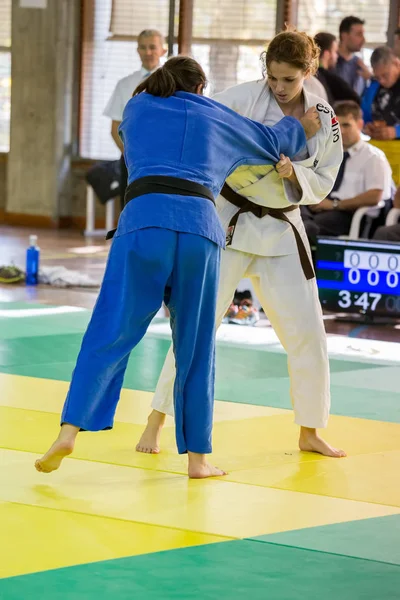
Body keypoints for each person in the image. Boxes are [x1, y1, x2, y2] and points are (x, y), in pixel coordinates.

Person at [35, 56, 319, 479]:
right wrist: (303, 128)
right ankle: (199, 460)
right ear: (201, 87)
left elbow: (130, 146)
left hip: (143, 222)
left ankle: (69, 431)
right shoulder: (214, 115)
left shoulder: (137, 108)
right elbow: (270, 141)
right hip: (199, 229)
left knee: (109, 332)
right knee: (196, 343)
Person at [137, 29, 347, 460]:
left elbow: (327, 177)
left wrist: (296, 177)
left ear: (309, 72)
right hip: (230, 222)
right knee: (195, 329)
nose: (279, 87)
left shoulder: (326, 118)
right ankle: (155, 419)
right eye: (273, 77)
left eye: (289, 79)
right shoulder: (237, 99)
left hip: (283, 227)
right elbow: (206, 145)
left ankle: (309, 430)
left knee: (308, 333)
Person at [302, 100, 392, 241]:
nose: (341, 131)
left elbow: (375, 196)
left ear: (360, 125)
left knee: (311, 226)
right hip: (320, 207)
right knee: (292, 212)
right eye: (336, 125)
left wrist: (333, 205)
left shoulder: (373, 157)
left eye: (346, 125)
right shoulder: (326, 152)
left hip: (348, 214)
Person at [103, 29, 167, 208]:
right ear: (137, 50)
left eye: (152, 47)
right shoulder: (125, 85)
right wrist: (131, 156)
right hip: (131, 162)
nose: (148, 52)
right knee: (130, 207)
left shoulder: (174, 84)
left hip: (164, 161)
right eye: (143, 47)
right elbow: (115, 127)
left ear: (163, 50)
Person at [362, 46, 400, 141]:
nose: (382, 81)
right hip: (378, 148)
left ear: (397, 64)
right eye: (378, 77)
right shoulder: (373, 86)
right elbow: (364, 115)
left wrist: (396, 131)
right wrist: (368, 127)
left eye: (385, 75)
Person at [314, 32, 360, 105]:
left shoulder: (306, 76)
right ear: (327, 54)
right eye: (335, 52)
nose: (337, 56)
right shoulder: (330, 79)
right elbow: (356, 99)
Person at [334, 16, 371, 96]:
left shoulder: (360, 65)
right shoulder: (331, 61)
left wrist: (370, 79)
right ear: (344, 36)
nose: (363, 39)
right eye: (359, 34)